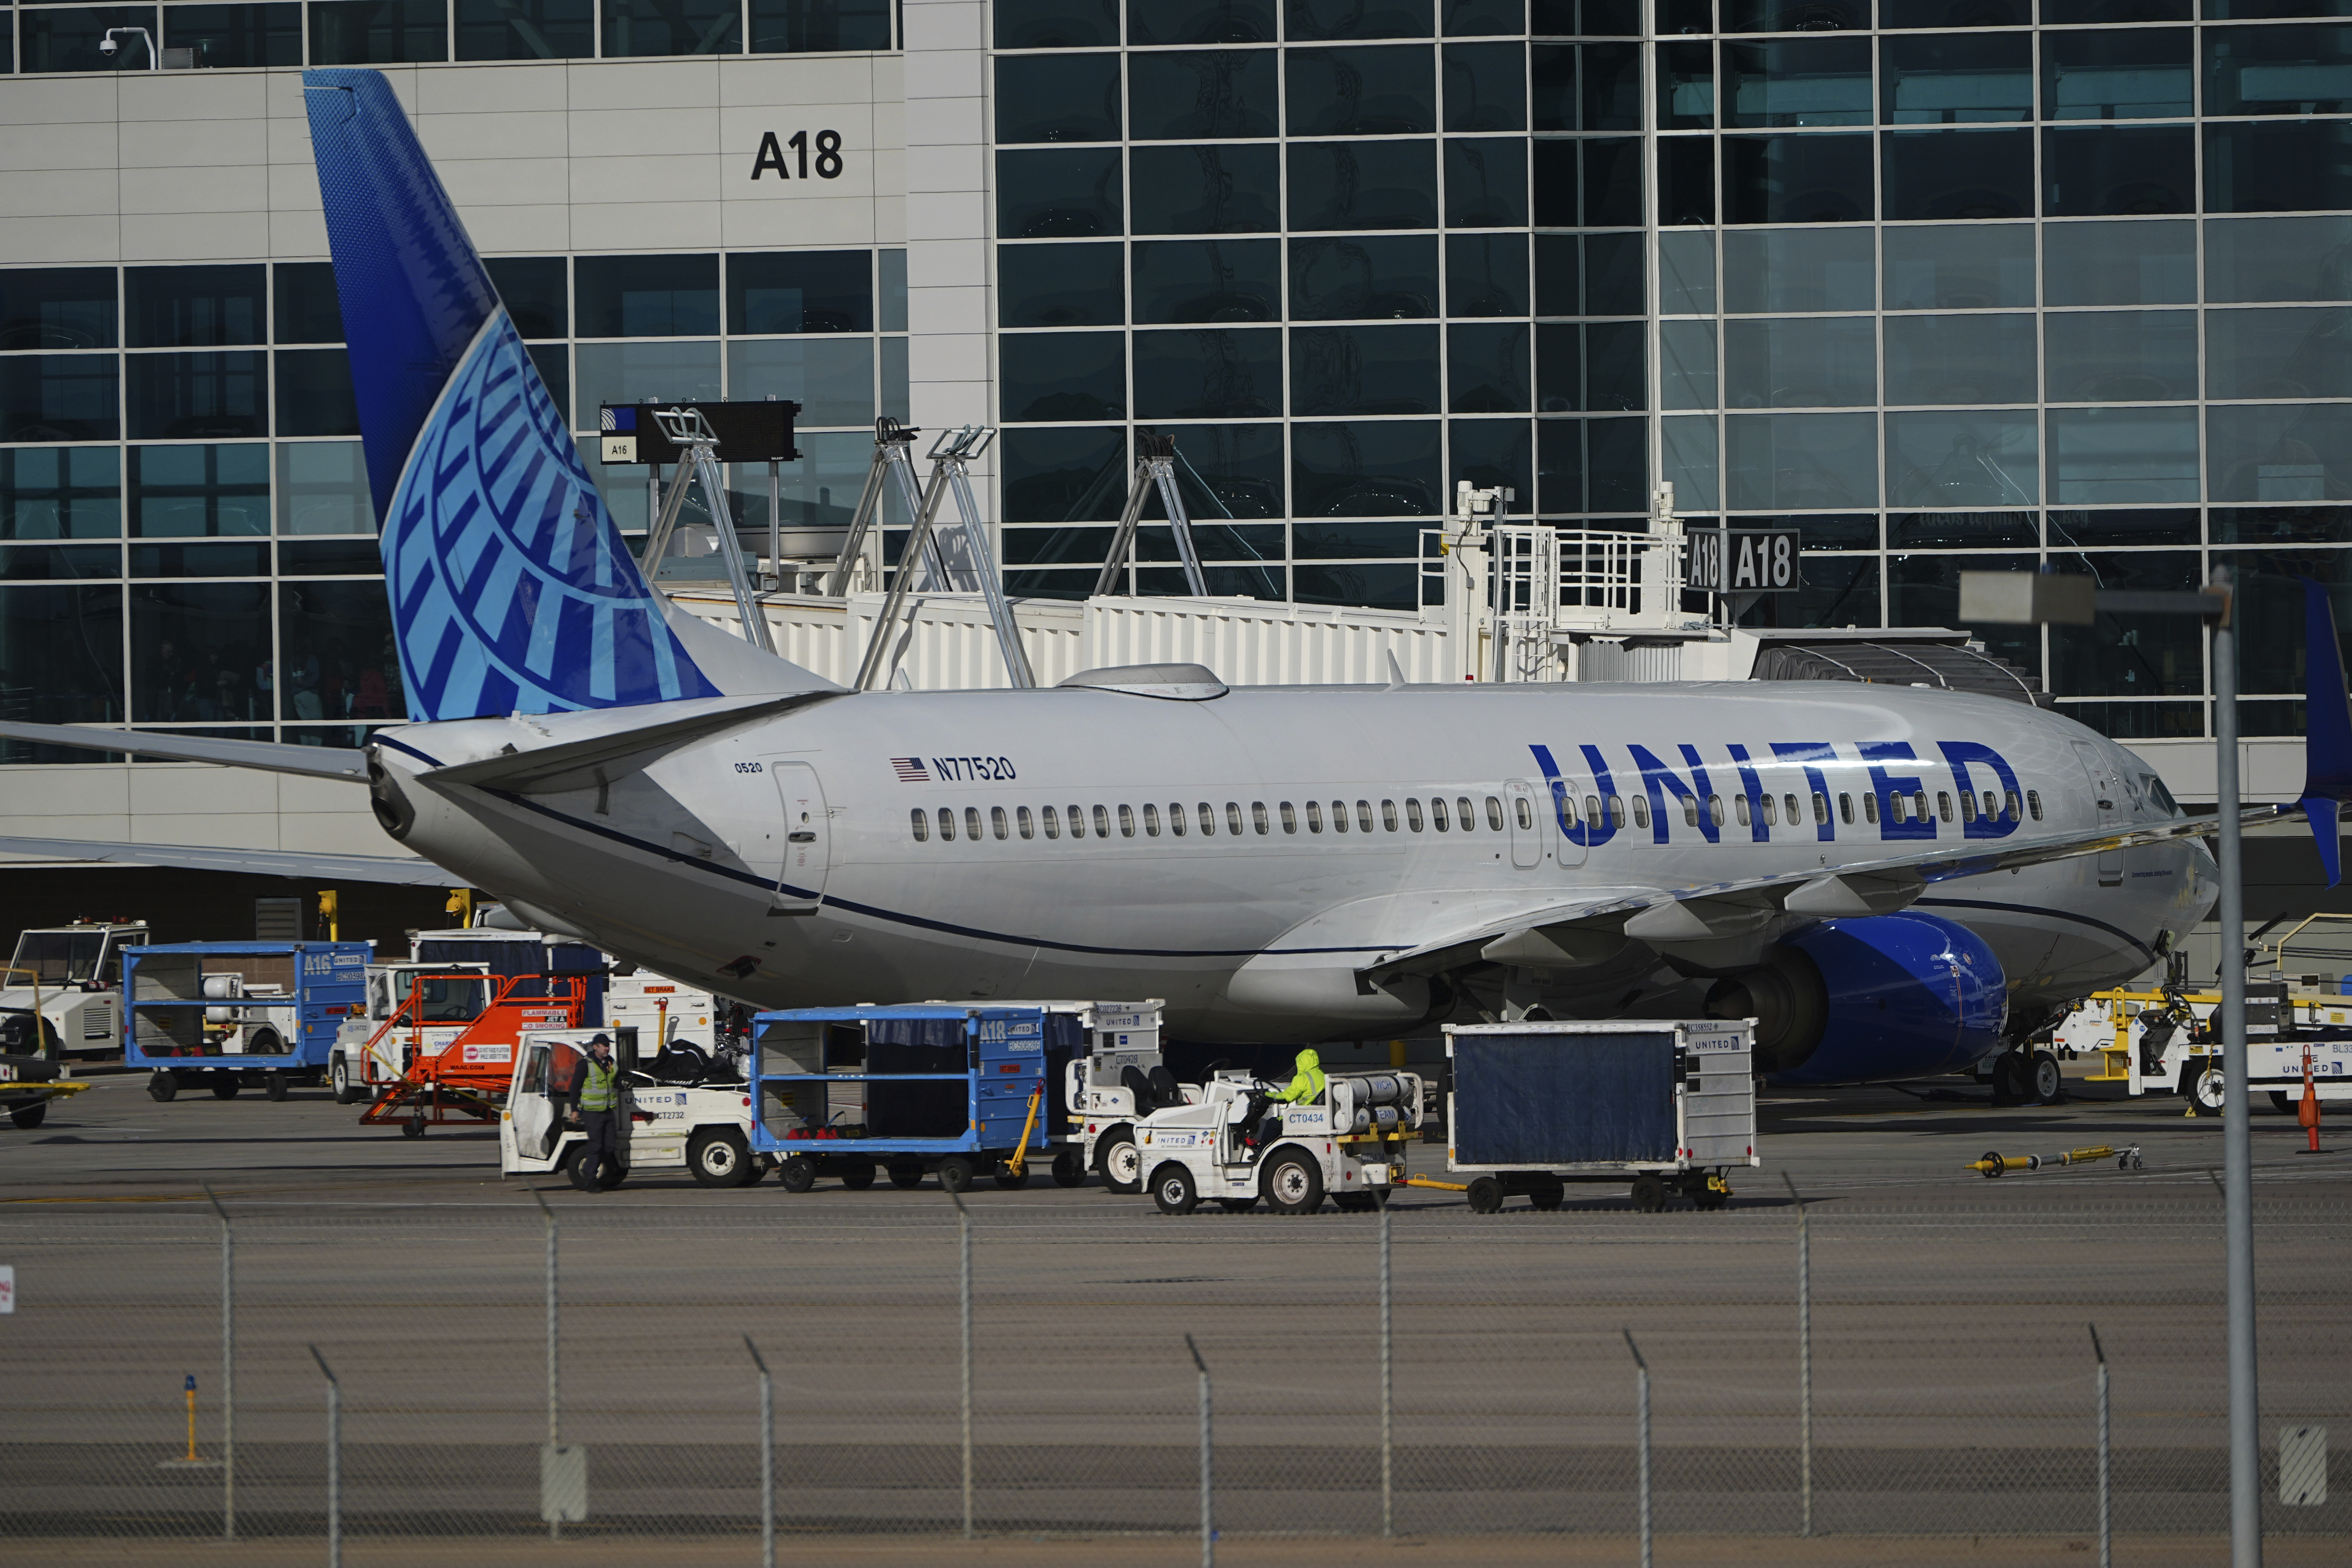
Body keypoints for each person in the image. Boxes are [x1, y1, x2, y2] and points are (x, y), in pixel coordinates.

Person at [570, 1033, 624, 1191]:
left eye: (608, 1045)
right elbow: (574, 1088)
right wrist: (575, 1110)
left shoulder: (610, 1062)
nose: (607, 1047)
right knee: (595, 1145)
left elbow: (615, 1080)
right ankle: (590, 1180)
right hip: (592, 1112)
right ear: (595, 1047)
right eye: (604, 1045)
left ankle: (592, 1170)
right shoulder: (585, 1064)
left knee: (609, 1146)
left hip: (608, 1110)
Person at [1249, 1047, 1327, 1157]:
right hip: (1317, 1115)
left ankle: (1261, 1153)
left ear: (1302, 1063)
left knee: (1272, 1124)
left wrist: (1269, 1095)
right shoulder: (1322, 1075)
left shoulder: (1303, 1078)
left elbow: (1286, 1098)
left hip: (1303, 1116)